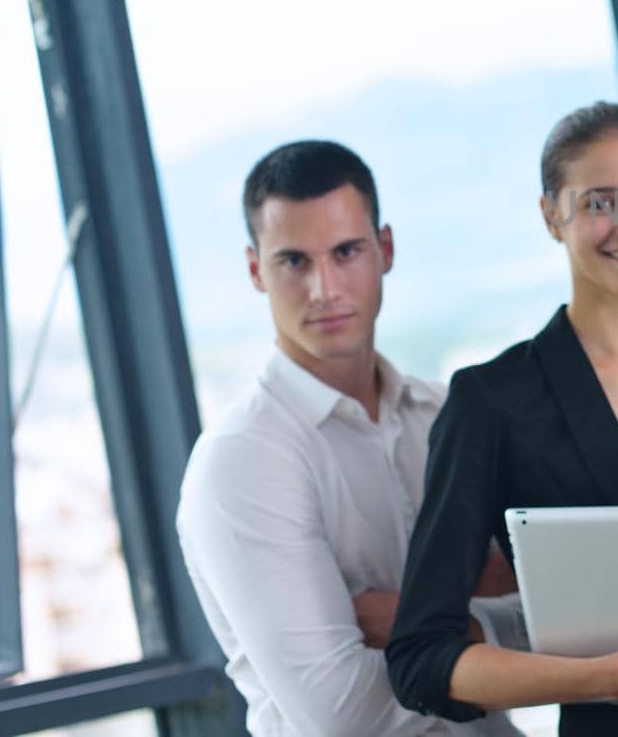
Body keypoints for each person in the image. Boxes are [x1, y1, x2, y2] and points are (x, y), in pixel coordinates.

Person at [177, 140, 523, 736]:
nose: (324, 288)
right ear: (255, 270)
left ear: (384, 249)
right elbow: (344, 717)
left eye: (346, 252)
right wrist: (477, 624)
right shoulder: (243, 459)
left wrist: (410, 624)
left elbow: (569, 617)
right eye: (293, 261)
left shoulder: (445, 413)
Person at [386, 102, 618, 736]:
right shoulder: (494, 403)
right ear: (550, 214)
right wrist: (615, 676)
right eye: (598, 202)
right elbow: (421, 660)